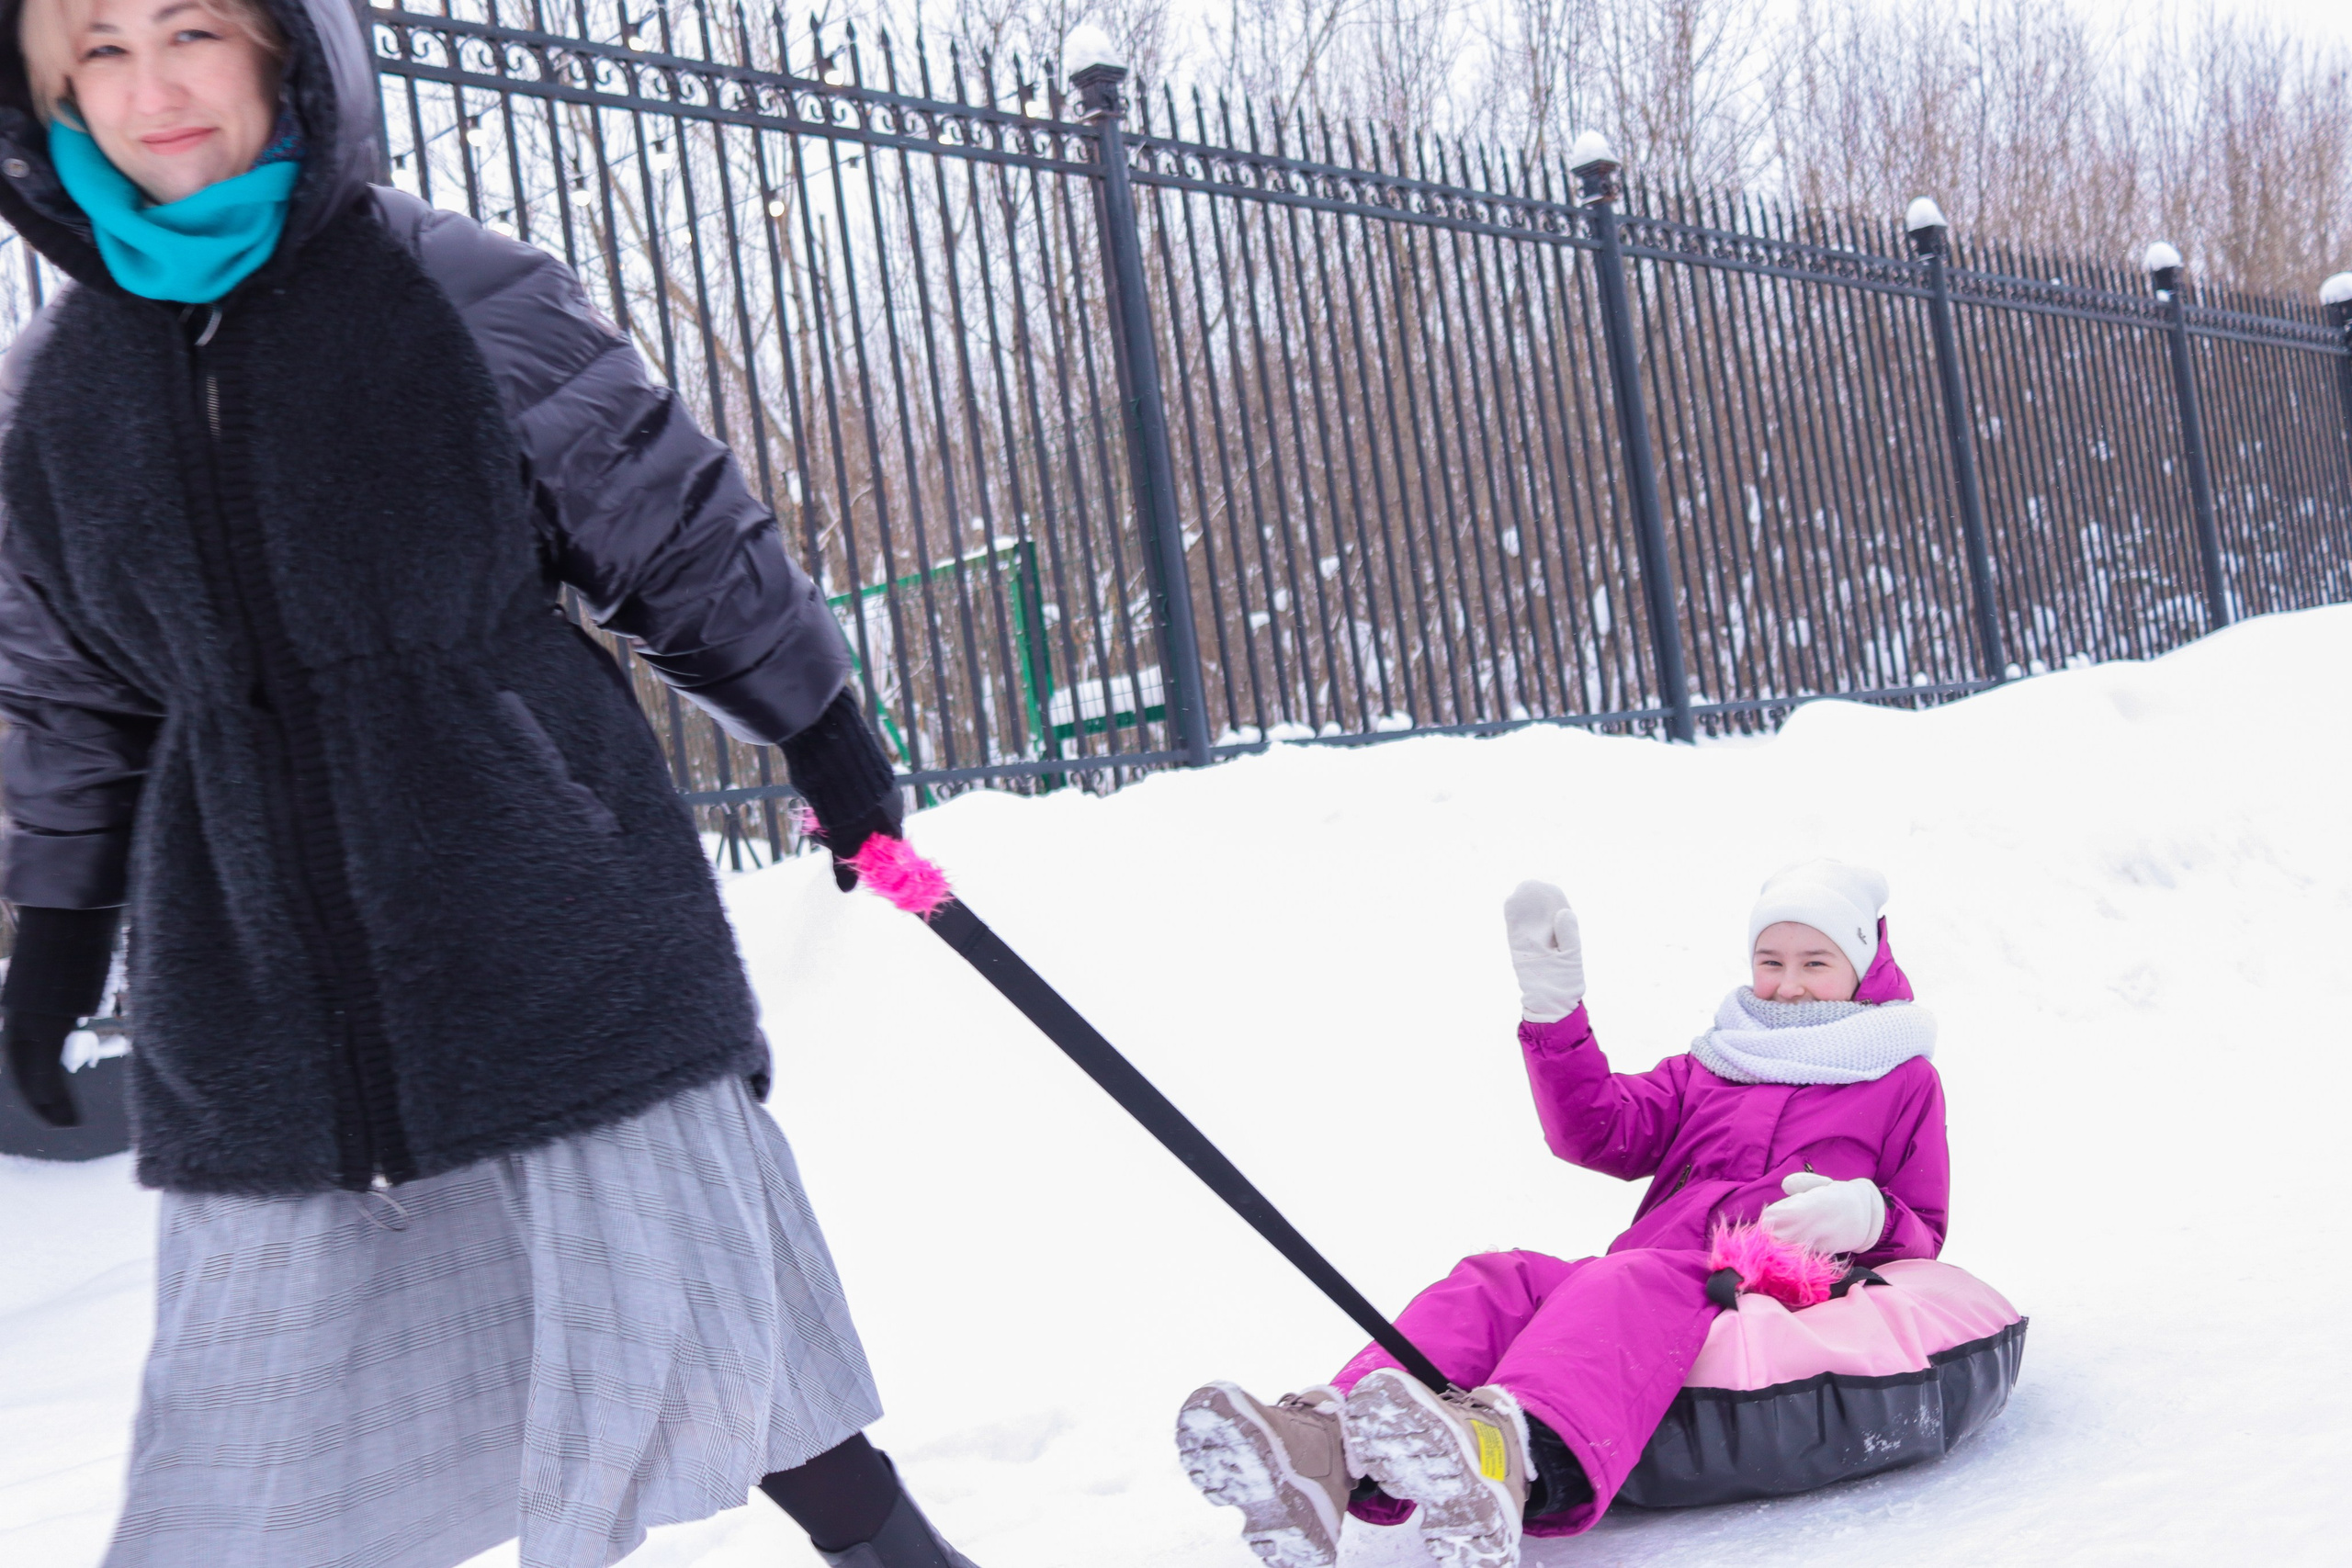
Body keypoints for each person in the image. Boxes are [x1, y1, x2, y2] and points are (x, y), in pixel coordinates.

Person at [0, 0, 978, 1562]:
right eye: (98, 49)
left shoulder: (443, 288)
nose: (152, 85)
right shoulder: (52, 393)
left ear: (282, 49)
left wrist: (821, 729)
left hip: (549, 917)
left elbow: (673, 527)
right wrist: (55, 931)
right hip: (255, 994)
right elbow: (61, 697)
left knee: (724, 1323)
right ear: (45, 91)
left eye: (192, 27)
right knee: (240, 1436)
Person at [1174, 860, 1949, 1568]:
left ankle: (1500, 1453)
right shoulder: (1716, 1064)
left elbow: (1926, 1220)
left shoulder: (1900, 1077)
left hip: (1769, 1285)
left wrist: (1868, 1214)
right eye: (1770, 962)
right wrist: (1556, 1015)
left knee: (1622, 1279)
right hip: (1650, 1273)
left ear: (1860, 967)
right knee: (1498, 1278)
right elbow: (1599, 1130)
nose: (1788, 984)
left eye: (1815, 963)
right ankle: (1322, 1446)